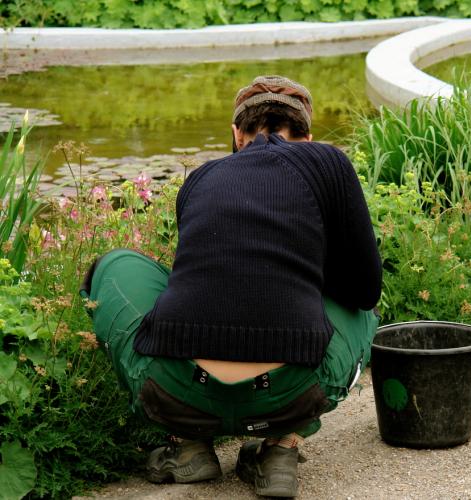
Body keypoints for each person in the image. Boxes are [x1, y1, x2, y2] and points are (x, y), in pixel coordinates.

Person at [79, 75, 382, 498]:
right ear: (309, 137)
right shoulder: (328, 162)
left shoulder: (202, 176)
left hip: (175, 392)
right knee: (363, 307)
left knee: (116, 265)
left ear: (236, 135)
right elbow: (365, 290)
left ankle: (187, 446)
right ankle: (281, 445)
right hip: (291, 394)